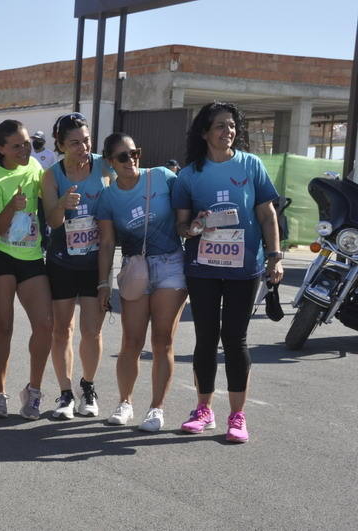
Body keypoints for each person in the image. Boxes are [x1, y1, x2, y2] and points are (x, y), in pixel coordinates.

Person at [173, 101, 283, 443]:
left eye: (232, 126)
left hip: (244, 268)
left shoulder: (251, 165)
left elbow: (267, 215)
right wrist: (194, 227)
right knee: (206, 338)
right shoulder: (190, 174)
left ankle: (237, 416)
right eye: (220, 126)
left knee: (235, 339)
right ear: (205, 132)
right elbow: (180, 227)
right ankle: (203, 410)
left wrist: (275, 256)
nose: (228, 131)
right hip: (203, 268)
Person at [97, 132, 187, 432]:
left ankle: (156, 409)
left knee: (163, 341)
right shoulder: (108, 196)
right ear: (110, 162)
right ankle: (125, 402)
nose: (131, 160)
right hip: (135, 269)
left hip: (171, 265)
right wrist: (103, 283)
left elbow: (185, 211)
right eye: (123, 156)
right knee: (132, 341)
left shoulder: (162, 177)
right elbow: (107, 243)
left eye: (135, 153)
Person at [0, 119, 53, 420]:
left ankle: (33, 392)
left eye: (26, 143)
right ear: (1, 149)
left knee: (45, 325)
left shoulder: (35, 167)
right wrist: (12, 206)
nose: (24, 149)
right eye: (17, 145)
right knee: (3, 327)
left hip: (31, 256)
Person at [41, 113, 109, 420]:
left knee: (91, 330)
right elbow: (52, 222)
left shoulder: (103, 165)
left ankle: (88, 388)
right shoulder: (52, 176)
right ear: (60, 145)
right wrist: (61, 205)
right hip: (62, 261)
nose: (83, 148)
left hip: (95, 261)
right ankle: (66, 393)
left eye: (87, 140)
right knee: (62, 330)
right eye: (75, 143)